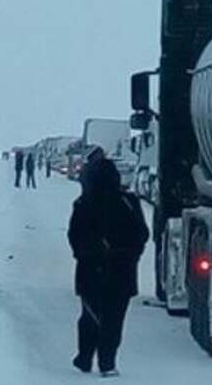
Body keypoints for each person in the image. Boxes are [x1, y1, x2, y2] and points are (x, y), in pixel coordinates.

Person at [67, 157, 149, 377]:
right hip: (122, 272)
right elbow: (142, 233)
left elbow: (74, 236)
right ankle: (107, 363)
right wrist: (131, 256)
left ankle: (85, 357)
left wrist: (84, 255)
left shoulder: (83, 204)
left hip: (90, 271)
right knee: (114, 319)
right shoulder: (128, 201)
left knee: (90, 316)